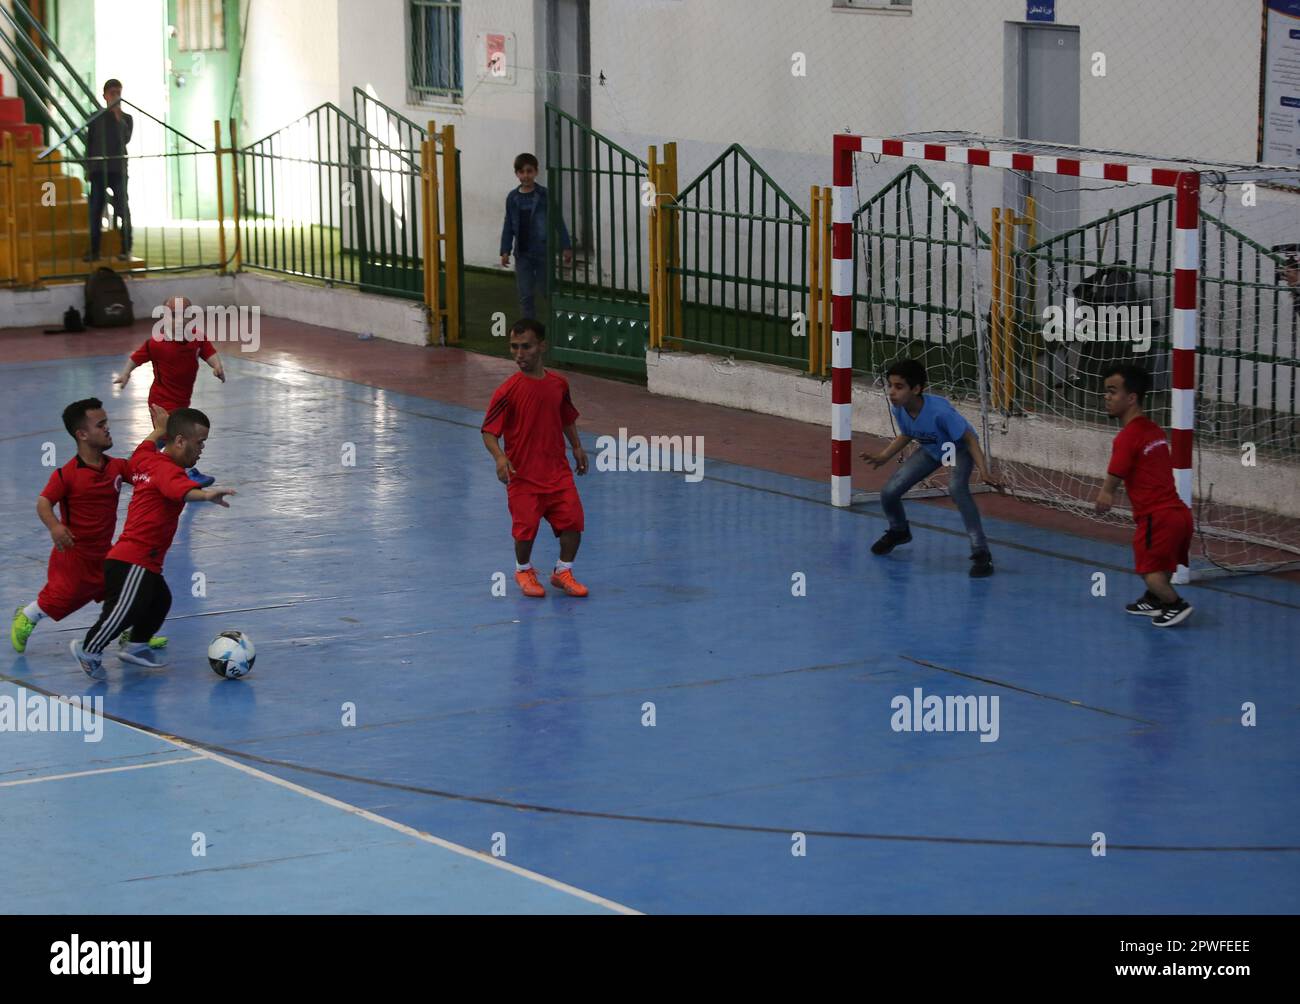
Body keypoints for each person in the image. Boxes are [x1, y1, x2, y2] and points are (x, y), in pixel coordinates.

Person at [71, 407, 235, 680]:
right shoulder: (171, 473)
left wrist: (159, 430)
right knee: (124, 611)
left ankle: (136, 646)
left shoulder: (147, 460)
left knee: (160, 600)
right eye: (199, 442)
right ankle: (88, 648)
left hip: (139, 559)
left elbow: (142, 450)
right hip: (133, 559)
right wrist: (206, 496)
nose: (202, 449)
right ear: (180, 441)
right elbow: (178, 491)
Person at [11, 399, 166, 653]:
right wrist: (55, 527)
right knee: (60, 600)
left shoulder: (116, 467)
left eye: (107, 423)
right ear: (82, 434)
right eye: (100, 424)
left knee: (136, 590)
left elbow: (140, 466)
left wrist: (160, 436)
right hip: (74, 557)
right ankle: (27, 616)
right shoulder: (67, 474)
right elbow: (43, 502)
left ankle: (136, 635)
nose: (107, 428)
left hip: (105, 554)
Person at [481, 319, 589, 598]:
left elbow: (566, 417)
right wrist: (500, 458)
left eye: (526, 346)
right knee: (525, 530)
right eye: (514, 347)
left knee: (573, 521)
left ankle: (563, 571)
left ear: (542, 346)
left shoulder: (559, 385)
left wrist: (576, 446)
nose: (519, 353)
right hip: (522, 476)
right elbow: (489, 432)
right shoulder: (507, 391)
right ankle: (523, 569)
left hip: (557, 473)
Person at [862, 359, 999, 577]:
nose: (891, 392)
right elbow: (908, 433)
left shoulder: (939, 412)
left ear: (916, 389)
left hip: (956, 449)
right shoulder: (900, 409)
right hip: (931, 449)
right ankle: (899, 531)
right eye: (890, 386)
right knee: (889, 492)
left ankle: (981, 551)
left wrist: (983, 471)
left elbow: (970, 439)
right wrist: (884, 456)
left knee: (957, 489)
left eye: (899, 387)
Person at [1094, 363, 1194, 627]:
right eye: (1106, 391)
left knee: (1149, 571)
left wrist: (1106, 492)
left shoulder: (1127, 437)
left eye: (1112, 392)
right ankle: (1153, 600)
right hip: (1180, 515)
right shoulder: (1154, 431)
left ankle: (1174, 604)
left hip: (1157, 517)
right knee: (1165, 563)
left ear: (1131, 398)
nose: (1106, 397)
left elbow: (1118, 469)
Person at [114, 296, 225, 486]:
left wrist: (217, 367)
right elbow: (136, 358)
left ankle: (134, 463)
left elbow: (209, 353)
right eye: (173, 316)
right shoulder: (156, 343)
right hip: (161, 401)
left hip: (182, 400)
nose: (179, 320)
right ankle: (187, 472)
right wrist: (125, 374)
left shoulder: (197, 338)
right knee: (179, 435)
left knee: (164, 437)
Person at [499, 153, 573, 318]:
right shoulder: (512, 197)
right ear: (516, 174)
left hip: (542, 251)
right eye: (522, 172)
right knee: (525, 295)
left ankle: (556, 326)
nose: (525, 175)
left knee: (548, 292)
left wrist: (565, 245)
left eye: (529, 171)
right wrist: (505, 250)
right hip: (522, 253)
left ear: (536, 172)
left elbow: (556, 220)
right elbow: (508, 225)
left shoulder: (544, 195)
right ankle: (529, 330)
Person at [84, 78, 133, 263]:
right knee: (95, 210)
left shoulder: (127, 119)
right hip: (98, 170)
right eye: (112, 93)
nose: (116, 97)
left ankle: (125, 249)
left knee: (123, 209)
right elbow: (89, 145)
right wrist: (88, 169)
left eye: (119, 93)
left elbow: (125, 139)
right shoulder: (95, 118)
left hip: (118, 170)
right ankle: (94, 250)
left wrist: (118, 119)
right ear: (105, 95)